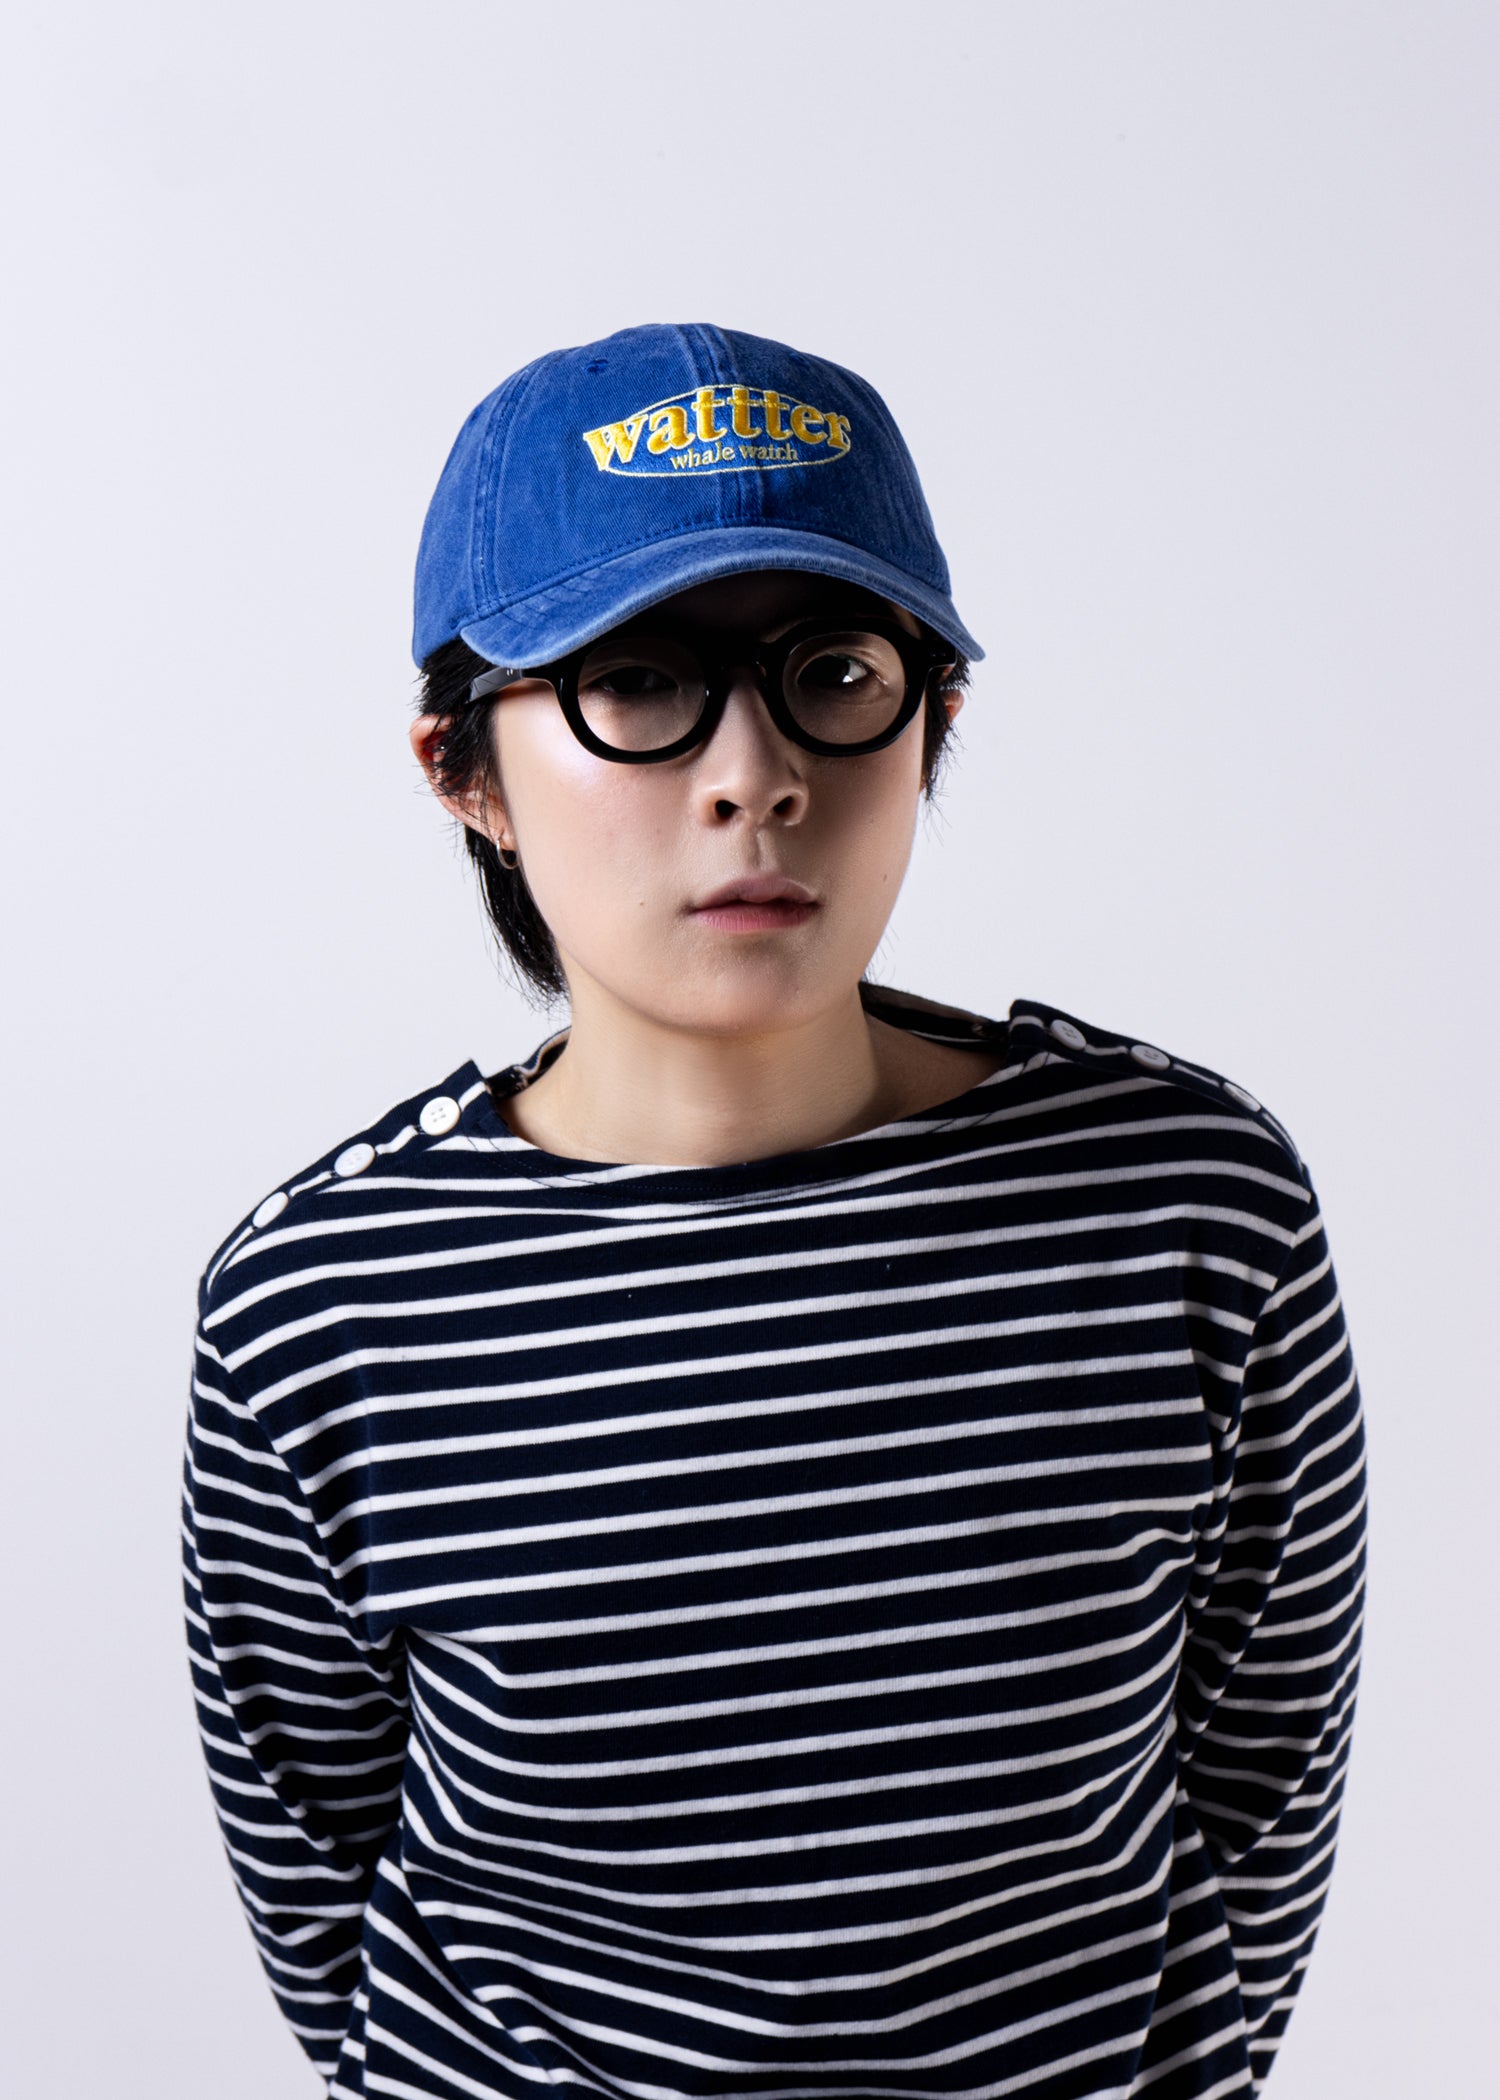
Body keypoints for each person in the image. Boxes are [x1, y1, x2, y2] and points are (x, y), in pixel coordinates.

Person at [181, 323, 1368, 2100]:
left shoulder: (1188, 1208)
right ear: (464, 770)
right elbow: (318, 1878)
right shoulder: (321, 1305)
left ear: (932, 718)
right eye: (637, 682)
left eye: (832, 670)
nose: (757, 775)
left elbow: (1261, 1788)